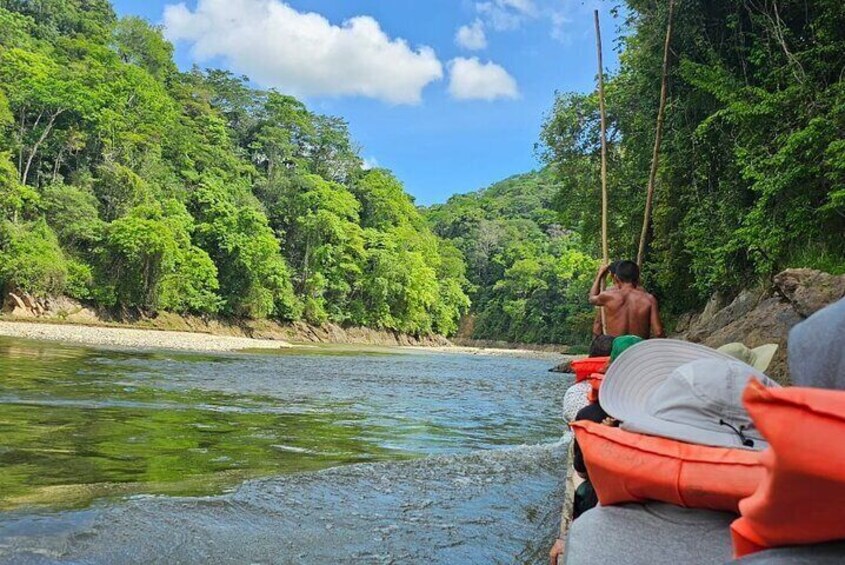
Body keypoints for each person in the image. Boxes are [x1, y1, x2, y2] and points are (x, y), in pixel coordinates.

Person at [589, 260, 664, 339]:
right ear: (638, 278)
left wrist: (599, 275)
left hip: (616, 347)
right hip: (639, 348)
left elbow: (591, 298)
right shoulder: (649, 299)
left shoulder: (608, 296)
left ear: (616, 278)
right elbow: (658, 332)